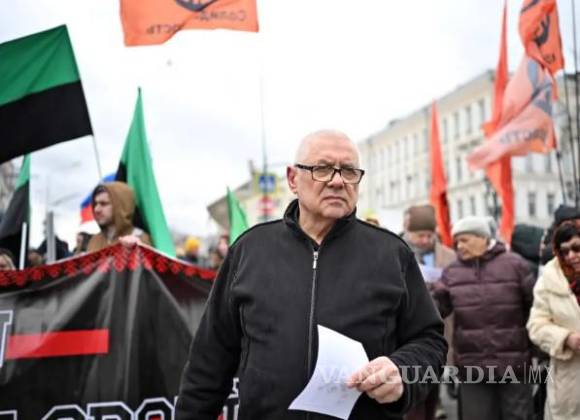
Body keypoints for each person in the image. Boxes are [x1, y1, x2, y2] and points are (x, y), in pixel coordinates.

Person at [176, 130, 447, 420]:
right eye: (323, 168)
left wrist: (403, 373)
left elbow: (430, 341)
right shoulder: (249, 251)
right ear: (293, 179)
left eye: (349, 171)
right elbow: (210, 360)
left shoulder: (392, 253)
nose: (338, 181)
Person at [432, 216, 535, 420]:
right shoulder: (452, 273)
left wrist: (537, 353)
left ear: (483, 238)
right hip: (473, 367)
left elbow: (535, 309)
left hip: (514, 366)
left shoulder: (516, 265)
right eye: (456, 242)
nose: (459, 246)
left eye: (465, 240)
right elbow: (434, 309)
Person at [402, 205, 455, 420]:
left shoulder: (449, 256)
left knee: (433, 383)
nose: (425, 240)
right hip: (408, 334)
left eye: (429, 235)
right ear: (408, 233)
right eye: (419, 235)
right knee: (414, 392)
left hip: (441, 327)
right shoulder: (397, 253)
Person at [527, 221, 580, 419]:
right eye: (564, 251)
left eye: (576, 248)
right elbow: (536, 325)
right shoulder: (548, 281)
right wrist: (565, 338)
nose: (571, 255)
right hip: (569, 379)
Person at [86, 182, 151, 252]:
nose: (96, 209)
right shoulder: (94, 241)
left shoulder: (139, 238)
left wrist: (137, 248)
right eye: (95, 204)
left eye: (103, 204)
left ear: (121, 206)